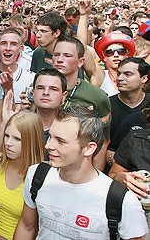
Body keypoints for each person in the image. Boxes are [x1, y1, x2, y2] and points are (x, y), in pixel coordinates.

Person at [14, 106, 147, 240]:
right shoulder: (37, 175)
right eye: (51, 137)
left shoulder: (121, 201)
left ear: (89, 148)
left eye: (60, 141)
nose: (48, 146)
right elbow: (27, 226)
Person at [0, 111, 45, 240]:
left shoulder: (41, 178)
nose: (8, 143)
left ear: (32, 141)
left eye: (17, 139)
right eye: (7, 135)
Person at [52, 36, 111, 170]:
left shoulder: (96, 96)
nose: (60, 60)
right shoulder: (40, 87)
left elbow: (103, 141)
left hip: (78, 168)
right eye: (56, 55)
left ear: (80, 62)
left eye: (67, 55)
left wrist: (95, 175)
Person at [106, 57, 149, 167]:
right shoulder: (106, 105)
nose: (120, 78)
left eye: (128, 74)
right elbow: (108, 149)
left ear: (144, 78)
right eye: (119, 73)